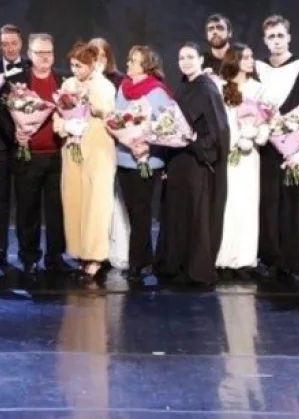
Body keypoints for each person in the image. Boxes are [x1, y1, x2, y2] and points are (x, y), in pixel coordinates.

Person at [155, 42, 230, 286]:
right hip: (179, 161)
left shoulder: (206, 88)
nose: (185, 62)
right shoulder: (184, 86)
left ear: (200, 60)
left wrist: (198, 141)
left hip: (197, 162)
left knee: (195, 215)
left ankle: (194, 268)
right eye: (181, 58)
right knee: (178, 213)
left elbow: (218, 129)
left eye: (190, 57)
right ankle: (175, 263)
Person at [1, 33, 70, 275]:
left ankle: (55, 256)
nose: (45, 57)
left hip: (58, 156)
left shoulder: (65, 80)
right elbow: (2, 118)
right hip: (27, 156)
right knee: (27, 210)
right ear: (29, 55)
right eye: (40, 53)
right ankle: (29, 257)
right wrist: (15, 134)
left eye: (48, 52)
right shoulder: (15, 81)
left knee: (57, 210)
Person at [255, 15, 299, 280]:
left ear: (289, 37)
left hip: (294, 148)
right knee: (268, 202)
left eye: (281, 35)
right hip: (267, 147)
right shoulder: (258, 68)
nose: (277, 41)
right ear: (265, 40)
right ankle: (270, 258)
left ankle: (294, 261)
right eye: (271, 37)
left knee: (293, 203)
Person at [57, 41, 117, 280]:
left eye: (79, 66)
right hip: (73, 150)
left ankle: (95, 256)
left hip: (97, 151)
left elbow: (107, 110)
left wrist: (88, 95)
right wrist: (65, 125)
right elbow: (57, 114)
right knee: (75, 201)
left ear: (92, 64)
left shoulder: (103, 85)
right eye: (72, 65)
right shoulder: (68, 84)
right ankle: (79, 252)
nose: (75, 70)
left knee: (96, 203)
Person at [113, 45, 172, 281]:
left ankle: (137, 263)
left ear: (146, 66)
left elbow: (166, 125)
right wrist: (126, 135)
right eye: (129, 60)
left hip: (147, 161)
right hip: (124, 158)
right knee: (132, 211)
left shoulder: (157, 92)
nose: (128, 64)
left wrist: (146, 142)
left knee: (141, 211)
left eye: (134, 61)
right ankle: (145, 257)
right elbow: (117, 119)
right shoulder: (123, 88)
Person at [0, 24, 29, 268]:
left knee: (25, 202)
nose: (10, 48)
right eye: (5, 44)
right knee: (0, 201)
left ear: (21, 44)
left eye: (14, 43)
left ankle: (26, 251)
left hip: (25, 145)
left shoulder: (31, 69)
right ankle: (0, 250)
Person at [215, 43, 263, 278]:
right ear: (234, 61)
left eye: (252, 56)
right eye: (245, 57)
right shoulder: (220, 87)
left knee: (247, 204)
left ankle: (244, 260)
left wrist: (253, 133)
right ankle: (223, 259)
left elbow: (265, 119)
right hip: (227, 151)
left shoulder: (257, 88)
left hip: (248, 152)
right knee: (227, 204)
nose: (251, 61)